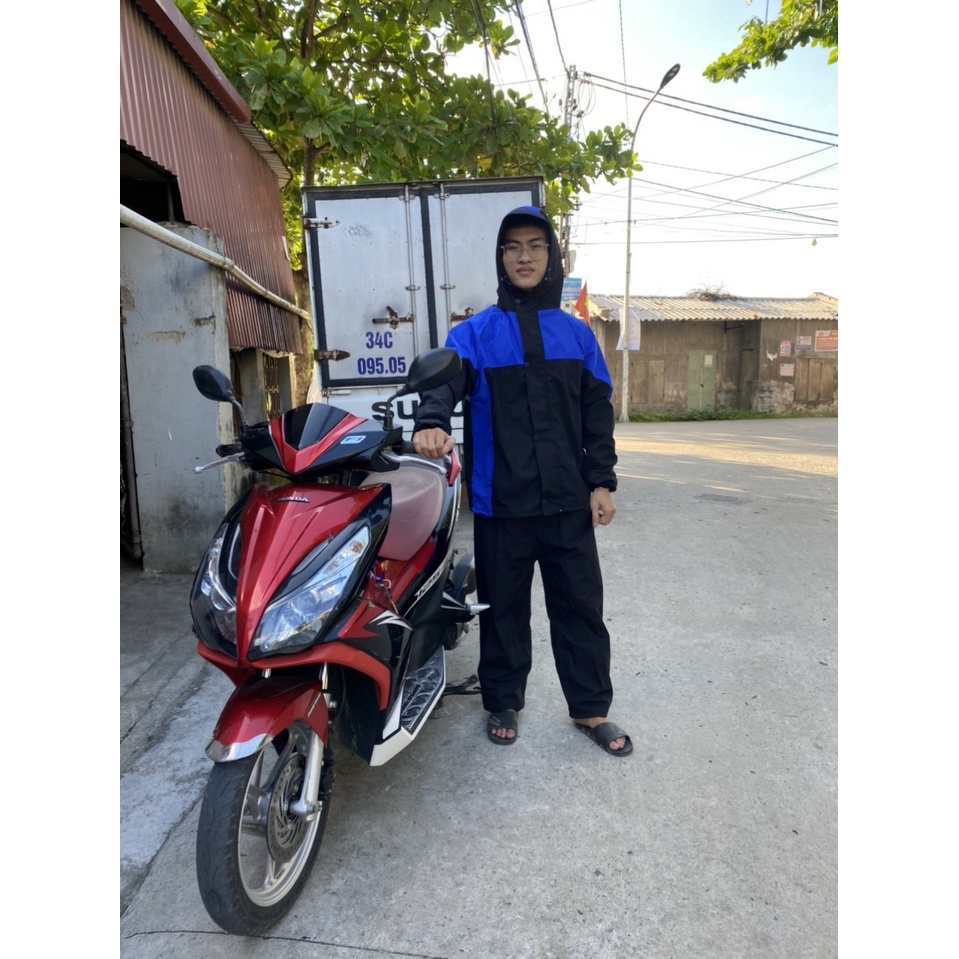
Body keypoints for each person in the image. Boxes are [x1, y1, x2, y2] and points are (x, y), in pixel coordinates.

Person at [412, 206, 632, 757]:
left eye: (535, 245)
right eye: (513, 247)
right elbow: (443, 385)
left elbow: (597, 413)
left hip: (566, 502)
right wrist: (432, 421)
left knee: (579, 607)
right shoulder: (473, 335)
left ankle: (590, 707)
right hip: (501, 501)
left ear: (551, 256)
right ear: (501, 258)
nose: (524, 256)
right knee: (504, 609)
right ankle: (503, 699)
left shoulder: (577, 336)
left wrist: (601, 482)